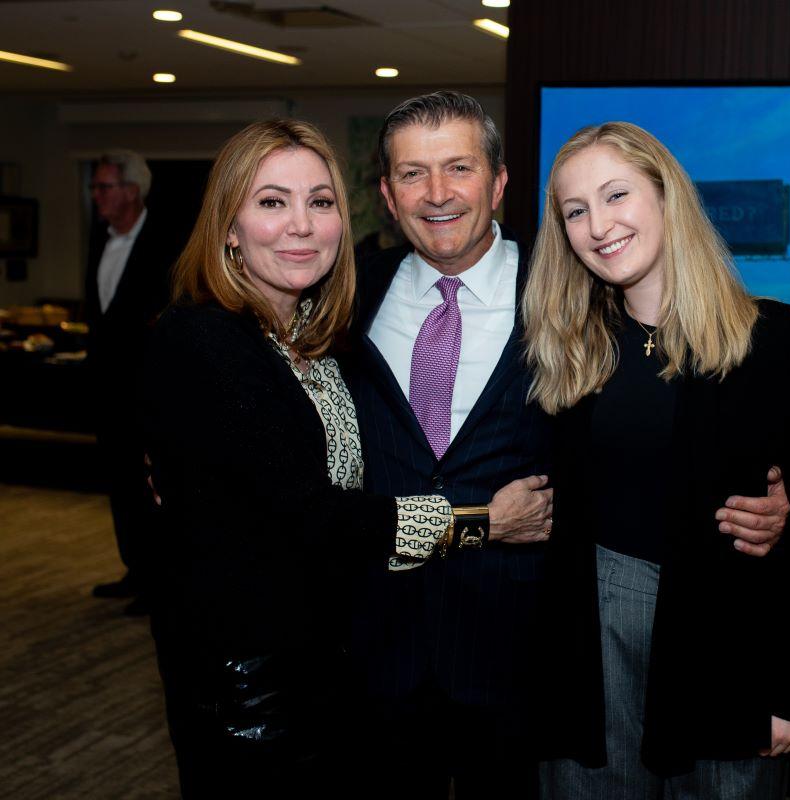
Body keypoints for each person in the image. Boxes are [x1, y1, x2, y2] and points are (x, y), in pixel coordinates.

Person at [342, 91, 790, 799]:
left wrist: (773, 501)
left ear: (497, 183)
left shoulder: (570, 302)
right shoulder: (344, 296)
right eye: (412, 174)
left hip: (532, 660)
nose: (437, 193)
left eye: (458, 167)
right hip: (375, 650)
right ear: (386, 196)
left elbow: (675, 427)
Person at [142, 118, 548, 797]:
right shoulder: (202, 340)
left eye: (320, 202)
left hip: (357, 667)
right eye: (272, 202)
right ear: (228, 225)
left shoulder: (316, 331)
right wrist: (477, 520)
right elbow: (311, 514)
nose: (300, 225)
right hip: (256, 690)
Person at [524, 122, 790, 799]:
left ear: (667, 197)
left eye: (616, 196)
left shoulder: (773, 337)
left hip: (728, 649)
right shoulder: (565, 346)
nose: (597, 225)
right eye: (575, 211)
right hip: (592, 649)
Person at [85, 149, 186, 614]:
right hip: (109, 394)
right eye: (96, 187)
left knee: (153, 491)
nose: (96, 196)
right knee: (121, 485)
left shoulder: (167, 244)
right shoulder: (100, 238)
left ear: (132, 191)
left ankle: (158, 582)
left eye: (104, 187)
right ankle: (134, 570)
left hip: (152, 396)